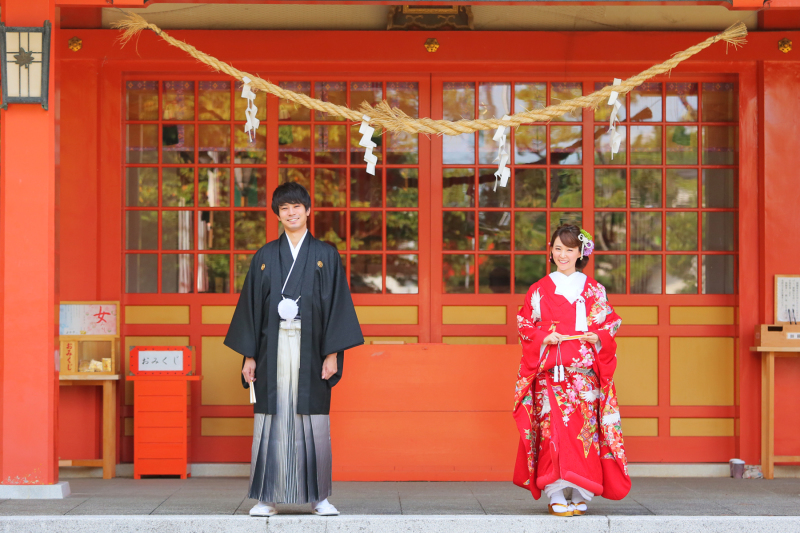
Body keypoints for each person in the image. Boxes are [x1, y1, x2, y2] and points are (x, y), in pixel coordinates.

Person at [224, 182, 364, 517]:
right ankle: (266, 497)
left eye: (297, 206)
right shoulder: (265, 256)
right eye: (284, 208)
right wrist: (249, 355)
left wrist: (332, 354)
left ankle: (320, 497)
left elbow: (336, 306)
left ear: (308, 210)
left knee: (312, 417)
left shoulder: (326, 255)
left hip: (312, 346)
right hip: (271, 346)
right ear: (277, 214)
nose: (291, 213)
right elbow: (252, 308)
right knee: (271, 417)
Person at [513, 225, 630, 517]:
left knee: (584, 433)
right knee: (553, 432)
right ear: (550, 251)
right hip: (550, 375)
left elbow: (611, 323)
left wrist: (598, 336)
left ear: (580, 254)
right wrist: (543, 338)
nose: (562, 255)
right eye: (557, 248)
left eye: (569, 249)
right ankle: (554, 492)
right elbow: (525, 325)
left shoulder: (594, 289)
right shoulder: (538, 289)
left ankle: (581, 491)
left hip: (583, 377)